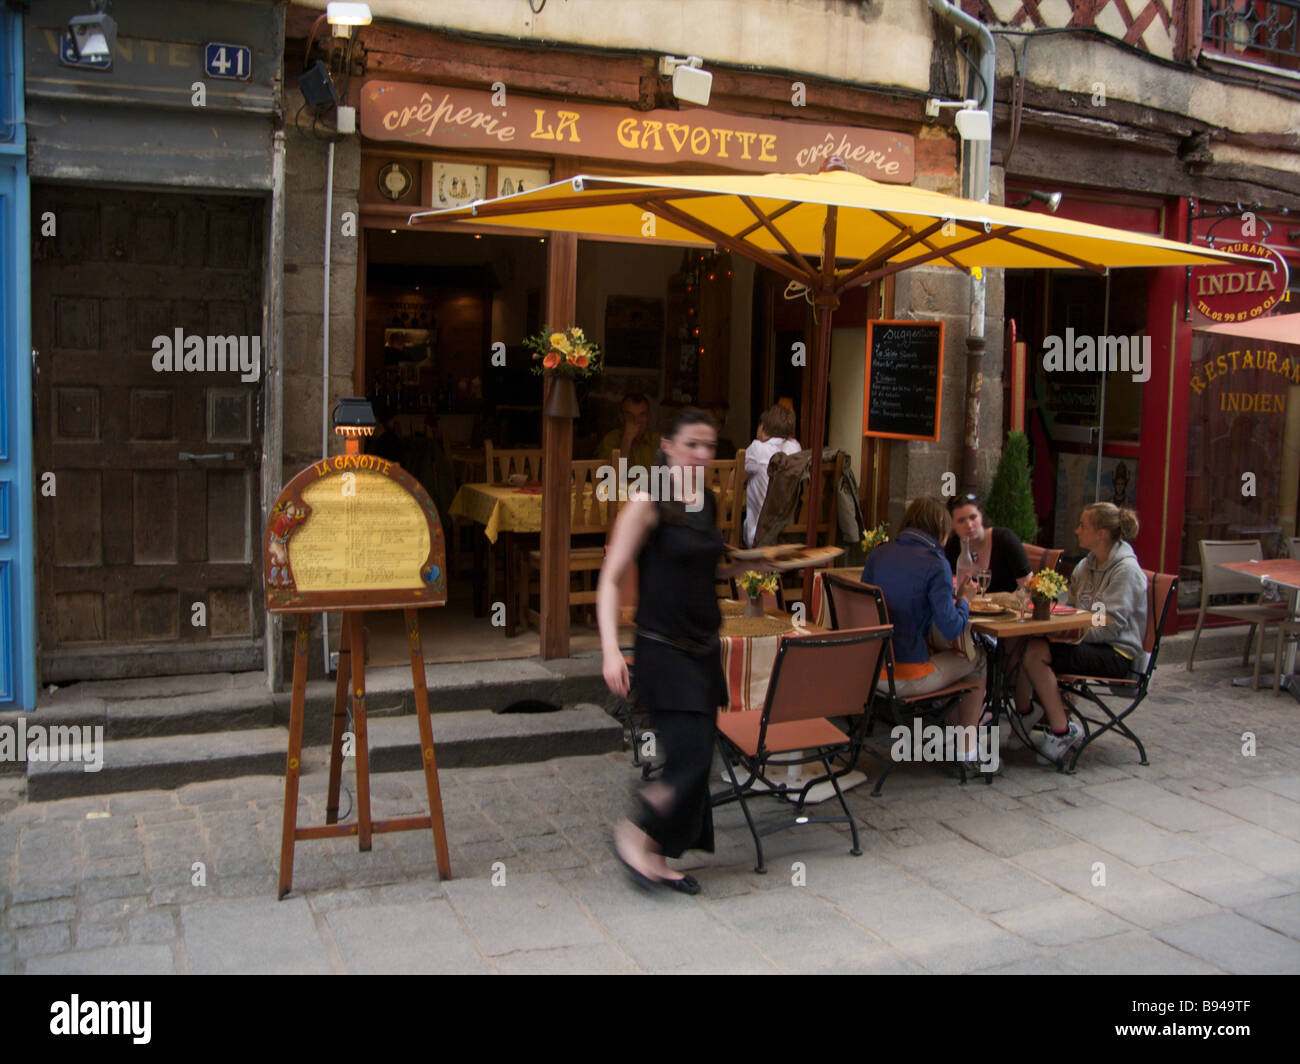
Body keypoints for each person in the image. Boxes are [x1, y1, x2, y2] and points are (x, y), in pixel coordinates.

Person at [597, 409, 762, 894]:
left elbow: (702, 566)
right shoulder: (649, 502)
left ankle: (655, 854)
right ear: (667, 446)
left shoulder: (707, 501)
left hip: (703, 649)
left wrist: (749, 565)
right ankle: (633, 832)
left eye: (708, 446)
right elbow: (610, 579)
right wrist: (610, 650)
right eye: (692, 444)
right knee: (690, 757)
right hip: (662, 649)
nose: (702, 454)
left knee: (699, 756)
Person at [1012, 503, 1147, 766]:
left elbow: (1111, 626)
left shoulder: (1126, 571)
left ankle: (1061, 730)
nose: (1076, 530)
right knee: (1023, 643)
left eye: (1083, 525)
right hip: (1087, 641)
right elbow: (1072, 609)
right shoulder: (1085, 565)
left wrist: (1069, 633)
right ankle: (1029, 713)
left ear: (1101, 534)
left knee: (1035, 653)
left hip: (1117, 652)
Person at [862, 496, 987, 769]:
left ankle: (952, 736)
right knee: (976, 659)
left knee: (949, 654)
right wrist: (964, 599)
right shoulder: (935, 563)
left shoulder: (879, 554)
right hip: (905, 676)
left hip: (871, 670)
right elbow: (952, 626)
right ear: (940, 529)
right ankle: (967, 751)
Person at [944, 493, 1032, 594]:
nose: (969, 525)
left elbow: (1028, 587)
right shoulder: (952, 546)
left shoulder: (1005, 539)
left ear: (981, 516)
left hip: (1006, 607)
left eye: (973, 517)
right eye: (961, 520)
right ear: (953, 525)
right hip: (966, 608)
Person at [743, 404, 801, 547]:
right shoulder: (795, 447)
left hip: (759, 534)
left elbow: (735, 480)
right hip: (788, 534)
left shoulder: (756, 449)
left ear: (762, 428)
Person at [598, 393, 660, 471]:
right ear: (621, 417)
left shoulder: (656, 439)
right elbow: (610, 475)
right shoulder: (609, 440)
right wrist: (627, 439)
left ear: (648, 417)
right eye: (629, 416)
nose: (636, 421)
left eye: (641, 415)